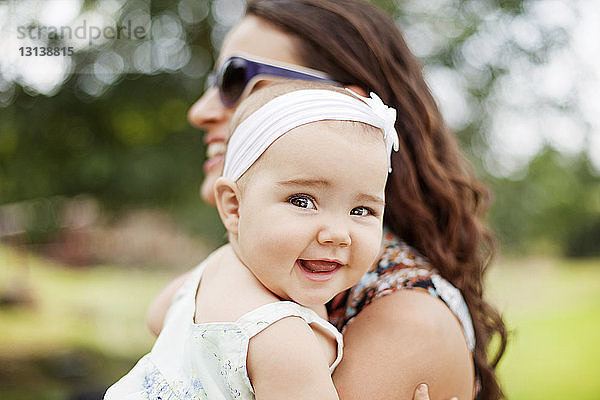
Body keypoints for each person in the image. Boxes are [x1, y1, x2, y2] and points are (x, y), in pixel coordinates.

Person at [147, 1, 507, 399]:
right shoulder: (262, 269)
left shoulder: (406, 320)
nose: (200, 110)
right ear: (232, 206)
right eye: (301, 201)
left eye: (237, 80)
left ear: (347, 106)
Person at [105, 81, 401, 399]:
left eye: (361, 210)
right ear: (234, 206)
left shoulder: (213, 268)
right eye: (303, 201)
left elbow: (157, 316)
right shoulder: (284, 341)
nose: (338, 234)